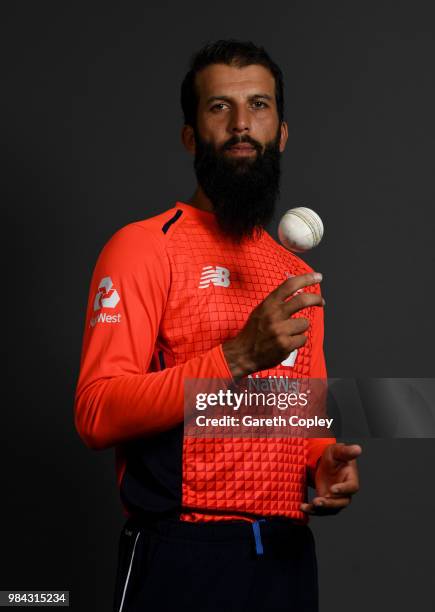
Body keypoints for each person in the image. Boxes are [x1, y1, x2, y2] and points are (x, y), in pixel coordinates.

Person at [74, 39, 361, 612]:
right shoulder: (143, 248)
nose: (240, 125)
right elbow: (96, 412)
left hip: (286, 558)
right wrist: (233, 357)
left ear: (281, 133)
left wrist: (322, 459)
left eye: (259, 105)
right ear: (190, 136)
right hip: (182, 553)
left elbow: (300, 412)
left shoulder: (297, 274)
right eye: (218, 107)